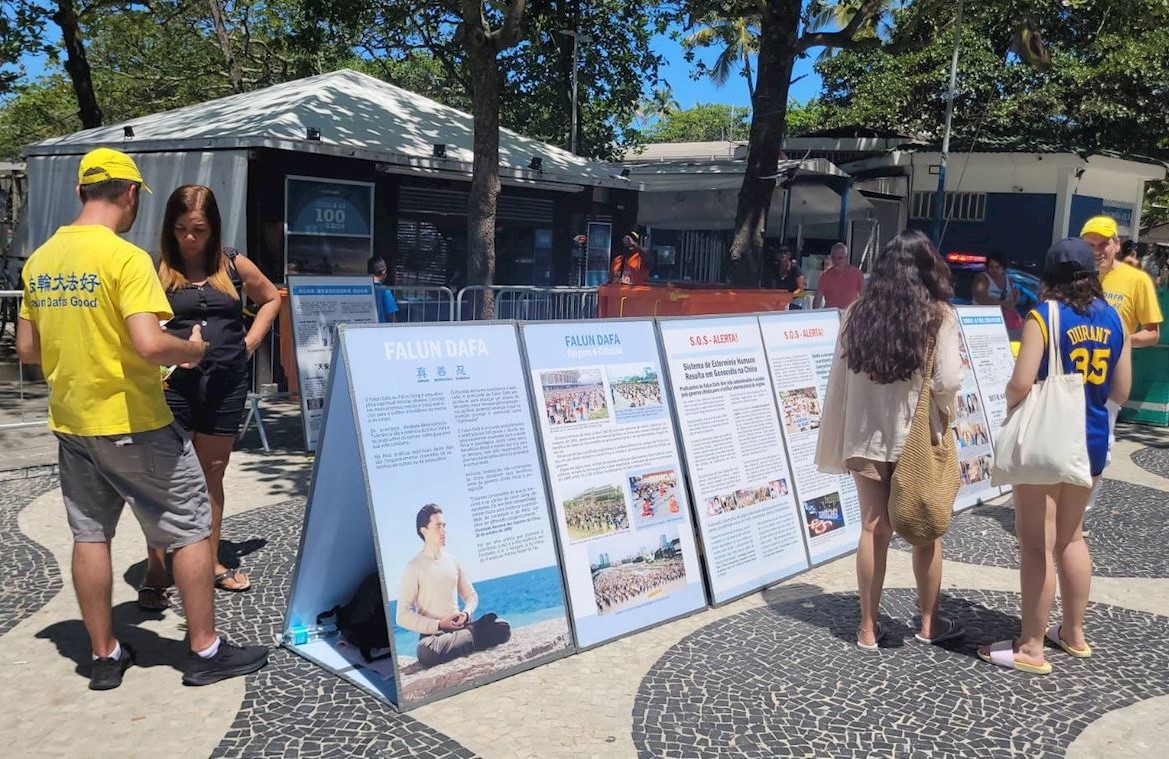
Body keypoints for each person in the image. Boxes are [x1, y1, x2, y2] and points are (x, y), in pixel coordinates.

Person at [15, 148, 267, 690]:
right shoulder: (125, 258)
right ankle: (204, 650)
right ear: (130, 194)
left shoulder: (40, 260)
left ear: (81, 191)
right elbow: (151, 344)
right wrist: (194, 350)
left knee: (90, 537)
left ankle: (104, 657)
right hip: (135, 418)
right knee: (194, 529)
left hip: (72, 423)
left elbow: (28, 349)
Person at [977, 238, 1131, 675]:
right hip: (1093, 441)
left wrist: (1010, 403)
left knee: (1037, 546)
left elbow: (1022, 382)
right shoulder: (1115, 318)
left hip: (1048, 442)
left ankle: (1030, 646)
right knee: (1072, 538)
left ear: (1049, 277)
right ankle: (1074, 634)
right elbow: (1121, 391)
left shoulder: (1044, 316)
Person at [814, 230, 966, 650]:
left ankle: (867, 626)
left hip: (865, 435)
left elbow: (841, 378)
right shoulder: (939, 315)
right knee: (927, 529)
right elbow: (948, 379)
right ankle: (930, 622)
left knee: (871, 527)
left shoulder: (857, 313)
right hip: (916, 439)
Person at [138, 185, 281, 604]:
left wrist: (250, 343)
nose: (189, 238)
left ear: (213, 228)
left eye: (198, 229)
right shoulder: (155, 268)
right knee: (163, 479)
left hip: (226, 384)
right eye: (181, 228)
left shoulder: (232, 263)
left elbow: (271, 297)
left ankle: (211, 560)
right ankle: (157, 568)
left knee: (211, 474)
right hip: (171, 385)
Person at [1080, 215, 1162, 513]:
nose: (1097, 250)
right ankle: (1060, 510)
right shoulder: (1076, 276)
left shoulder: (1136, 279)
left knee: (1100, 443)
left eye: (1104, 243)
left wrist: (1120, 339)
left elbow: (1152, 333)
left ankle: (1080, 513)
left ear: (1116, 244)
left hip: (1110, 376)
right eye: (1090, 244)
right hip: (1072, 373)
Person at [397, 504, 512, 668]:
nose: (443, 531)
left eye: (444, 526)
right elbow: (402, 615)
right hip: (434, 636)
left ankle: (469, 635)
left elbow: (471, 596)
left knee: (503, 627)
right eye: (438, 526)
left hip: (459, 627)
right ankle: (475, 633)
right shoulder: (413, 567)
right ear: (424, 531)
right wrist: (439, 624)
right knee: (425, 651)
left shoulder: (453, 560)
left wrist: (466, 613)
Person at [973, 252, 1024, 331]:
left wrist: (1015, 297)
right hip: (981, 320)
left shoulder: (1008, 281)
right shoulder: (983, 278)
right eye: (991, 267)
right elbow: (981, 299)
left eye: (997, 267)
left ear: (1003, 268)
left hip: (1002, 323)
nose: (994, 270)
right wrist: (1003, 303)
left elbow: (1011, 303)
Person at [813, 242, 865, 310]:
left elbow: (863, 296)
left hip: (849, 314)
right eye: (833, 258)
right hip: (831, 314)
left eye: (840, 258)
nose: (836, 261)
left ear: (846, 258)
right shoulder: (825, 276)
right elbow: (818, 297)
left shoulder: (857, 274)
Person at [368, 256, 400, 323]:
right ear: (384, 272)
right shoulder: (384, 290)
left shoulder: (364, 288)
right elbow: (391, 314)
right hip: (379, 329)